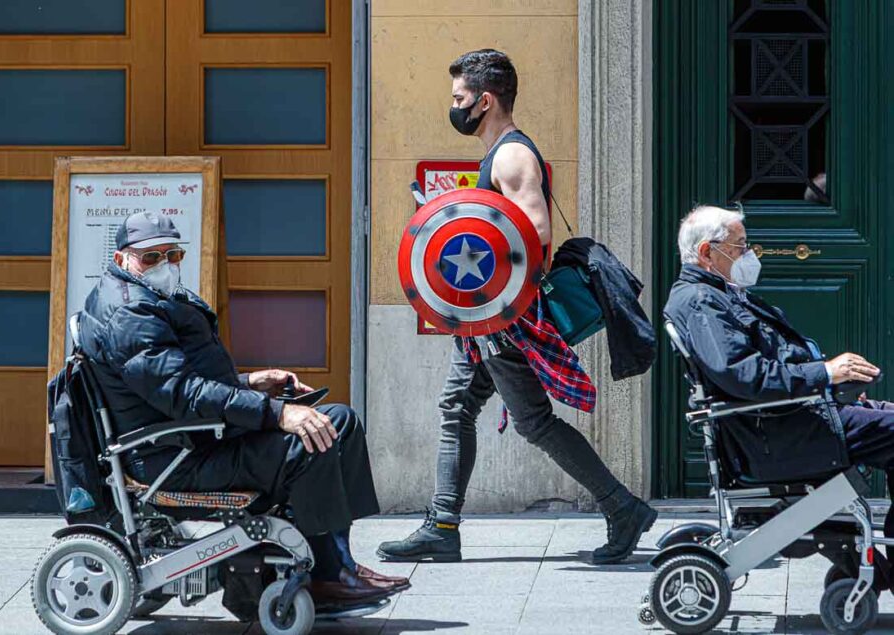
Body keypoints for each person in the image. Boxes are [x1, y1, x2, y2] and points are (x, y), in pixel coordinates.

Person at [377, 49, 656, 566]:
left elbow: (534, 234)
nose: (454, 107)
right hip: (487, 318)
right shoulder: (498, 154)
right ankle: (442, 525)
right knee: (457, 407)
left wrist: (465, 240)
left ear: (484, 101)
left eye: (459, 98)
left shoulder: (511, 156)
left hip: (503, 321)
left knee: (533, 422)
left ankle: (622, 508)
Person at [77, 211, 409, 607]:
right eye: (151, 257)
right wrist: (278, 413)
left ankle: (339, 561)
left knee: (339, 421)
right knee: (309, 442)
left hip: (196, 435)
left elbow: (177, 383)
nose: (164, 265)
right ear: (121, 259)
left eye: (173, 255)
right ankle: (325, 576)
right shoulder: (130, 315)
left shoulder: (144, 296)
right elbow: (184, 393)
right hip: (174, 457)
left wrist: (250, 382)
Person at [664, 204, 894, 538]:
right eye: (739, 246)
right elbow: (745, 376)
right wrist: (826, 374)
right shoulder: (703, 302)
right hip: (779, 434)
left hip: (795, 418)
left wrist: (829, 386)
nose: (748, 254)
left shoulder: (722, 294)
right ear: (706, 253)